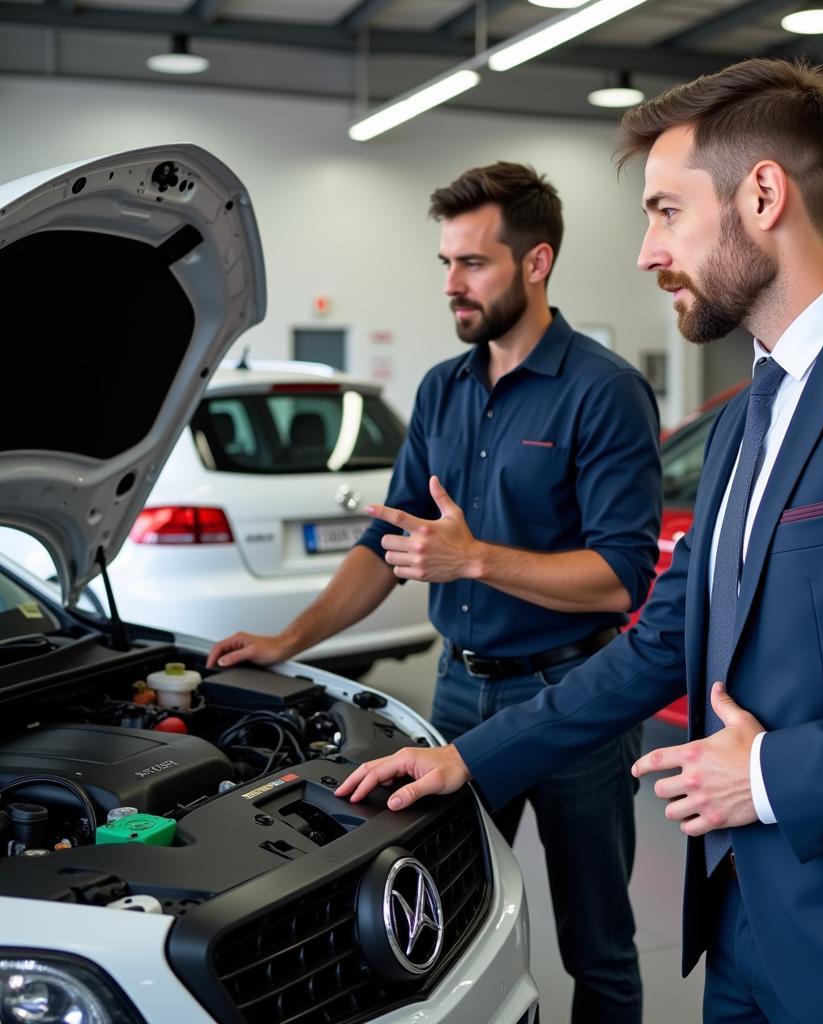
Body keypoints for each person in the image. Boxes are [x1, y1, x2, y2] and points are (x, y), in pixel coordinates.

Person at [335, 59, 823, 1024]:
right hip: (740, 921)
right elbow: (663, 638)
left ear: (764, 194)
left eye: (665, 211)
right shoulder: (746, 417)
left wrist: (772, 776)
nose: (647, 251)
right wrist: (474, 758)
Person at [208, 162, 662, 1024]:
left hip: (571, 698)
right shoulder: (441, 389)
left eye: (474, 263)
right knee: (436, 917)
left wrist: (476, 561)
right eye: (446, 262)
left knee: (595, 941)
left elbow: (621, 575)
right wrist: (285, 641)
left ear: (536, 263)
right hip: (458, 692)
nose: (452, 284)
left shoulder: (603, 392)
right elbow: (390, 543)